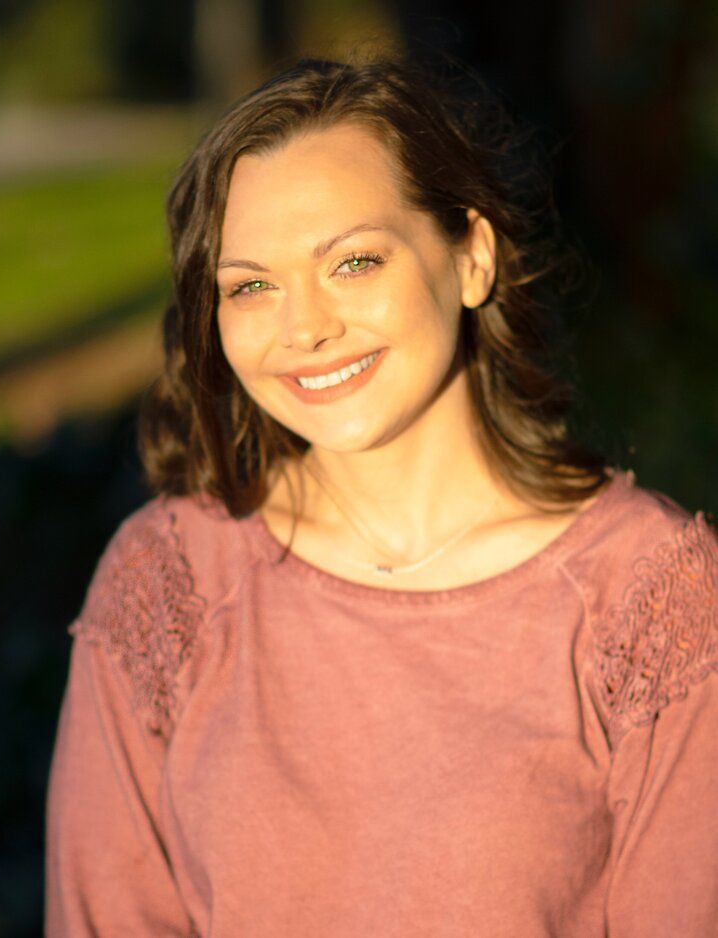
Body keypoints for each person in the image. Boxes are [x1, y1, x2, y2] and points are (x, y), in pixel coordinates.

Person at [44, 55, 718, 936]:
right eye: (251, 285)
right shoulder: (169, 581)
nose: (305, 327)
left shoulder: (652, 597)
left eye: (354, 262)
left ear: (471, 256)